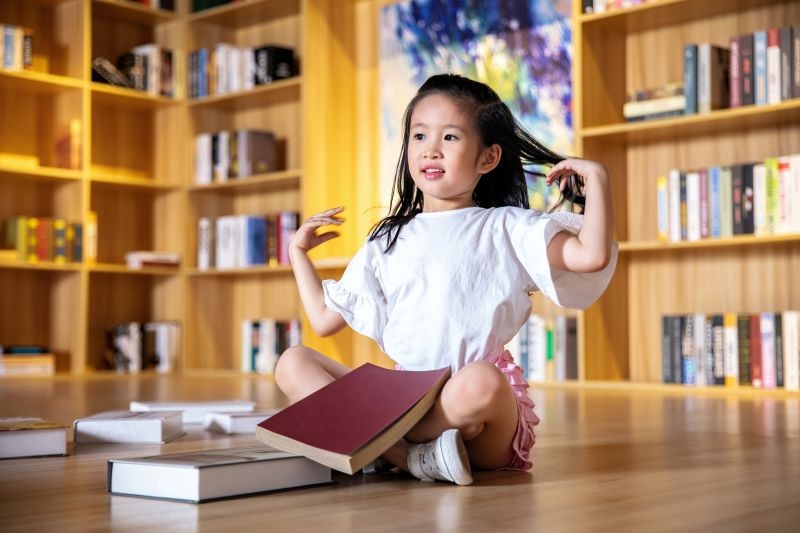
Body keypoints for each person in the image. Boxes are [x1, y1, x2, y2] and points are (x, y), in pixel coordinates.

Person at [275, 73, 617, 486]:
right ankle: (408, 457)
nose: (431, 149)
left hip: (478, 419)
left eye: (450, 137)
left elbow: (591, 256)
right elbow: (324, 320)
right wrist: (297, 253)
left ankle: (381, 447)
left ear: (487, 158)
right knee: (293, 362)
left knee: (481, 381)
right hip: (403, 402)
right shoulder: (387, 238)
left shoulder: (508, 227)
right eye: (419, 136)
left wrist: (598, 179)